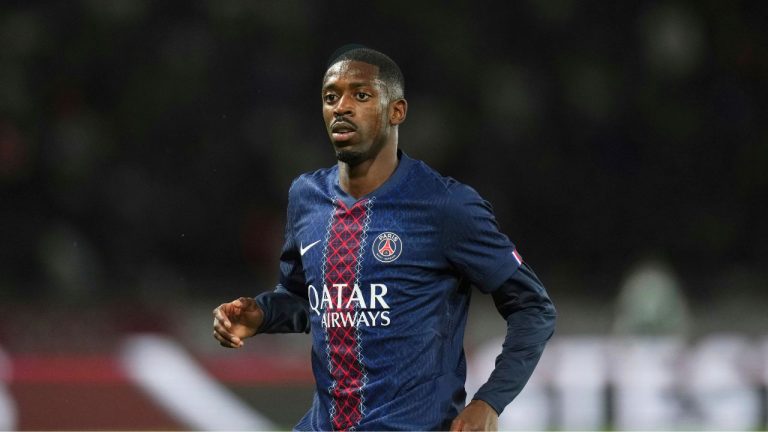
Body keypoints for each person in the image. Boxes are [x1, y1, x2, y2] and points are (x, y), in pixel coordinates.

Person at [212, 45, 556, 431]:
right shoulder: (306, 198)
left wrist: (489, 402)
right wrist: (261, 315)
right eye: (331, 96)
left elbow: (533, 309)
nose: (342, 106)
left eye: (361, 95)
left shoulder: (445, 206)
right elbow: (304, 299)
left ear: (397, 111)